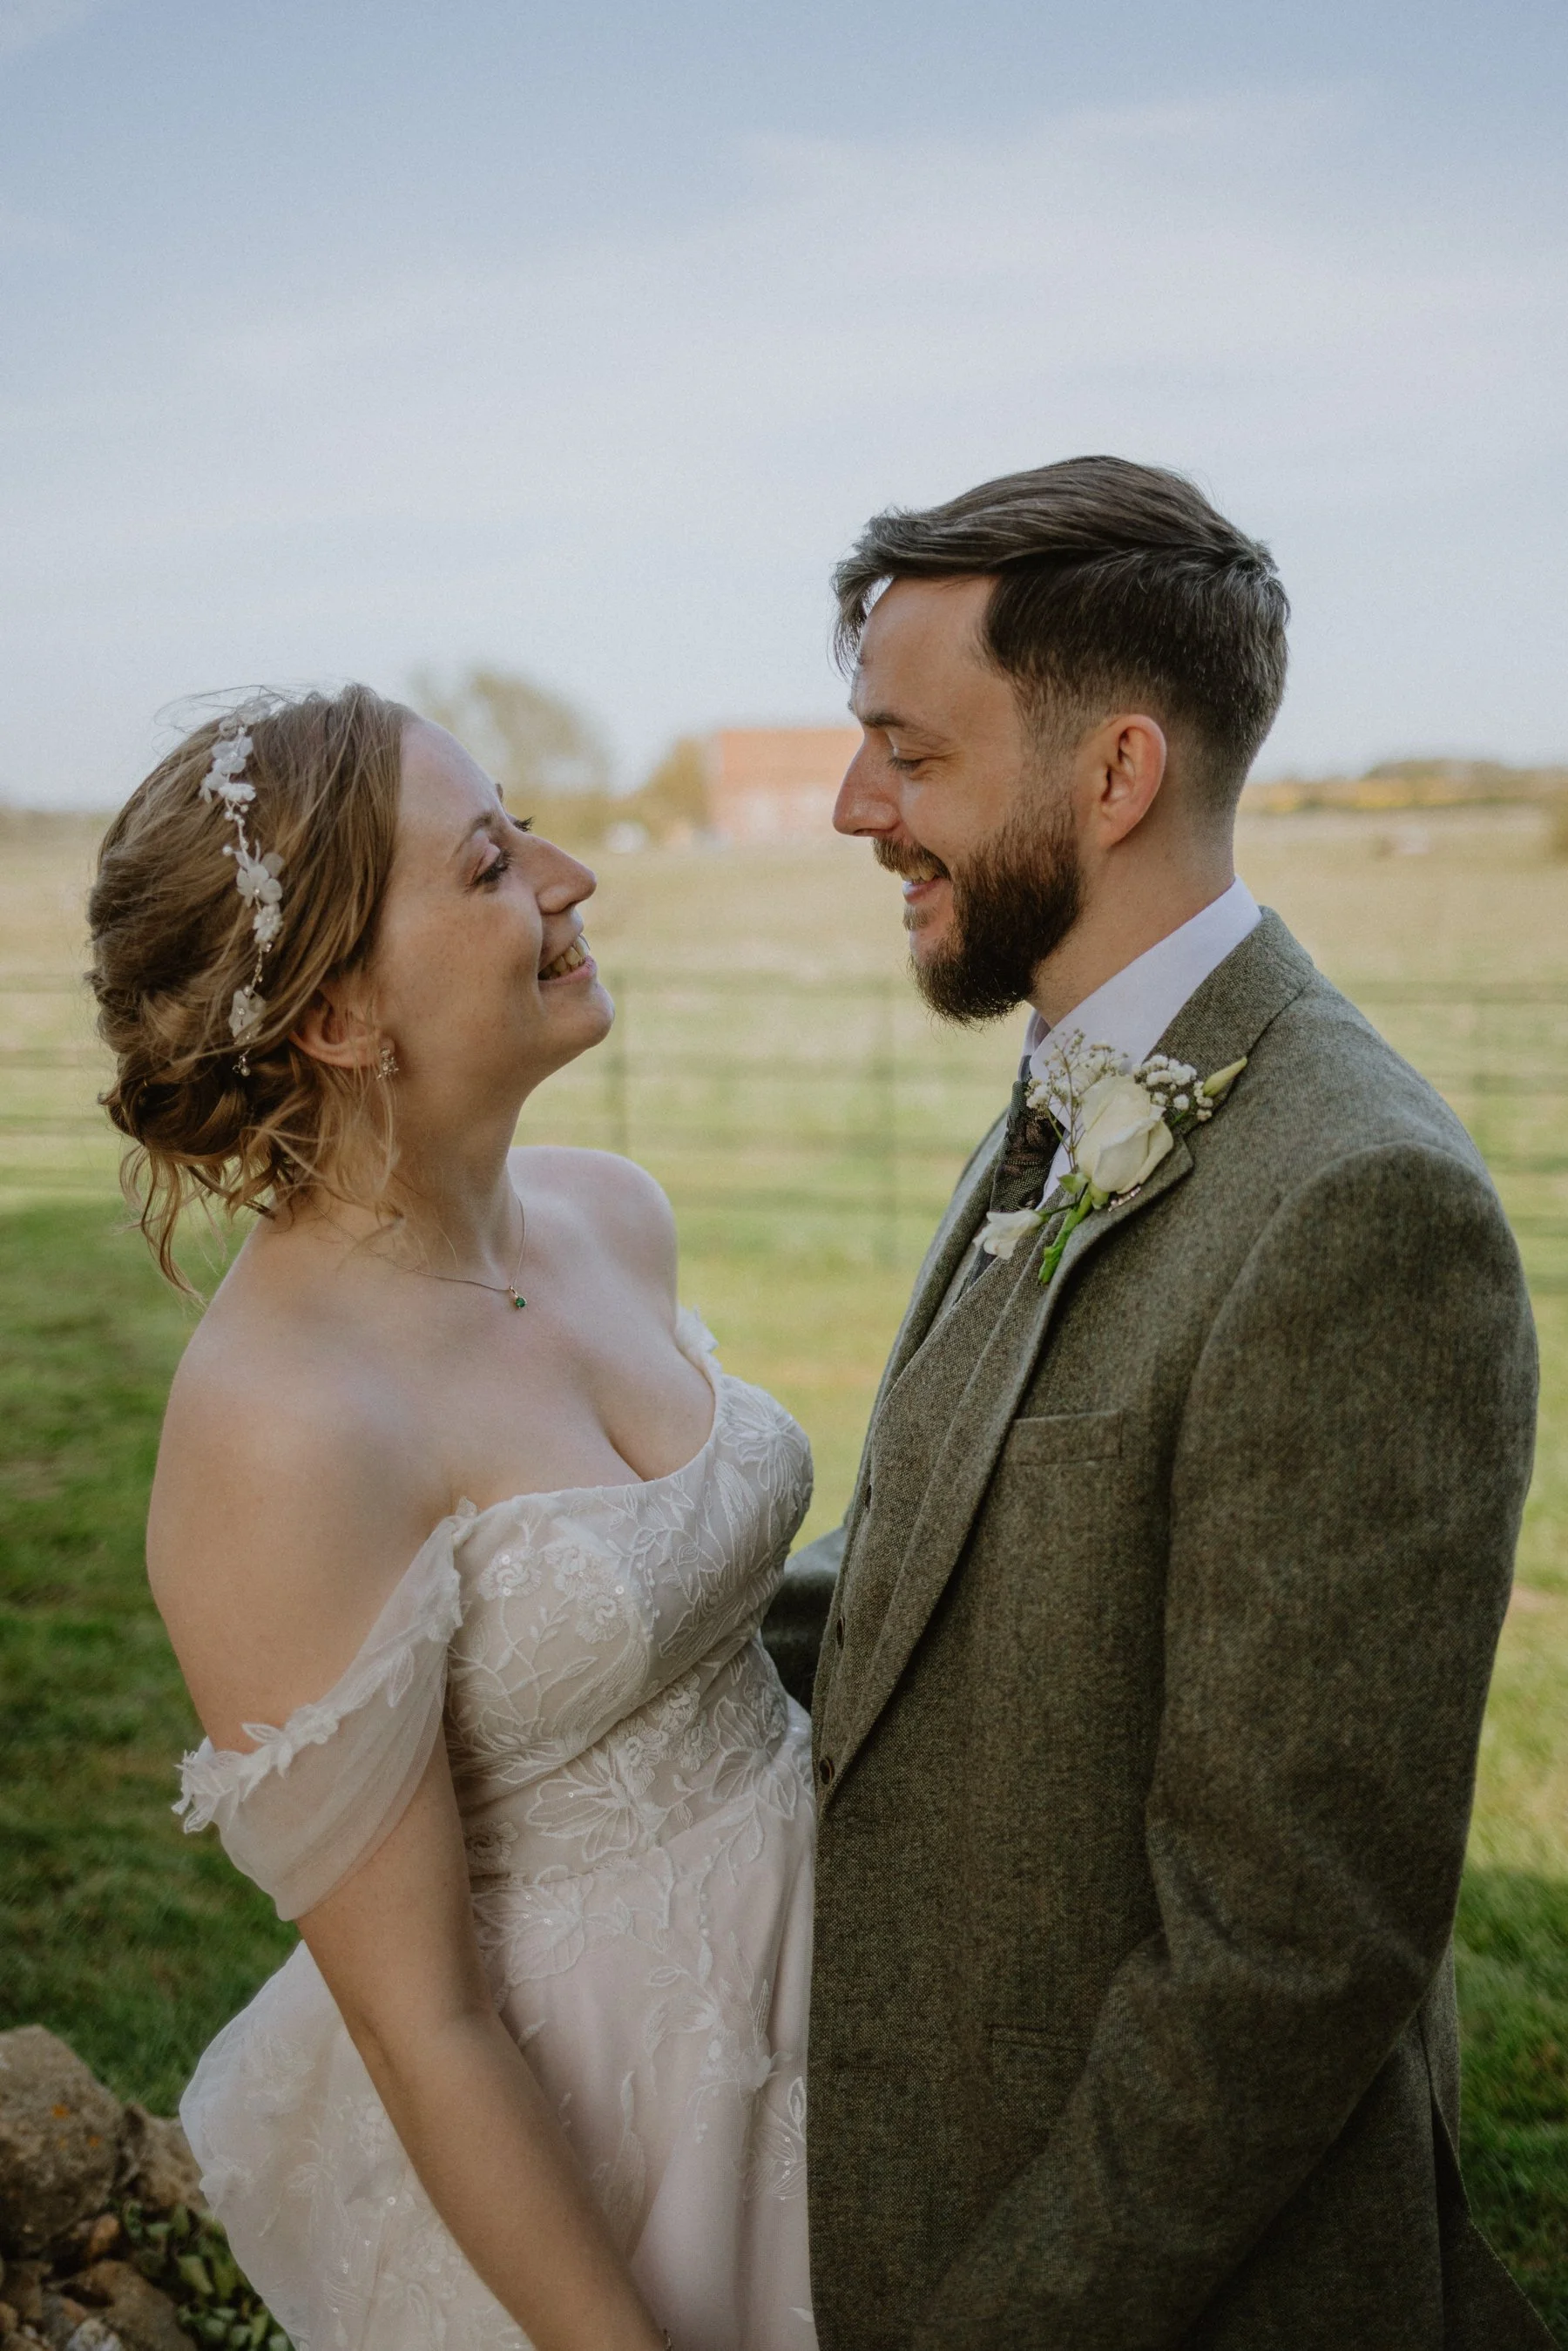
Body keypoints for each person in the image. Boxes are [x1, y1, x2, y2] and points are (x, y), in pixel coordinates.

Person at [790, 456, 1553, 2348]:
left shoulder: (1357, 1206)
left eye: (911, 751)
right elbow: (928, 1563)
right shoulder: (1083, 1073)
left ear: (1113, 775)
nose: (852, 808)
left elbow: (1292, 1956)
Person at [88, 686, 819, 2351]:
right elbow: (423, 2018)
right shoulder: (279, 1429)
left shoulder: (613, 1216)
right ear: (340, 1013)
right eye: (493, 862)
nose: (571, 879)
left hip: (830, 2005)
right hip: (592, 2151)